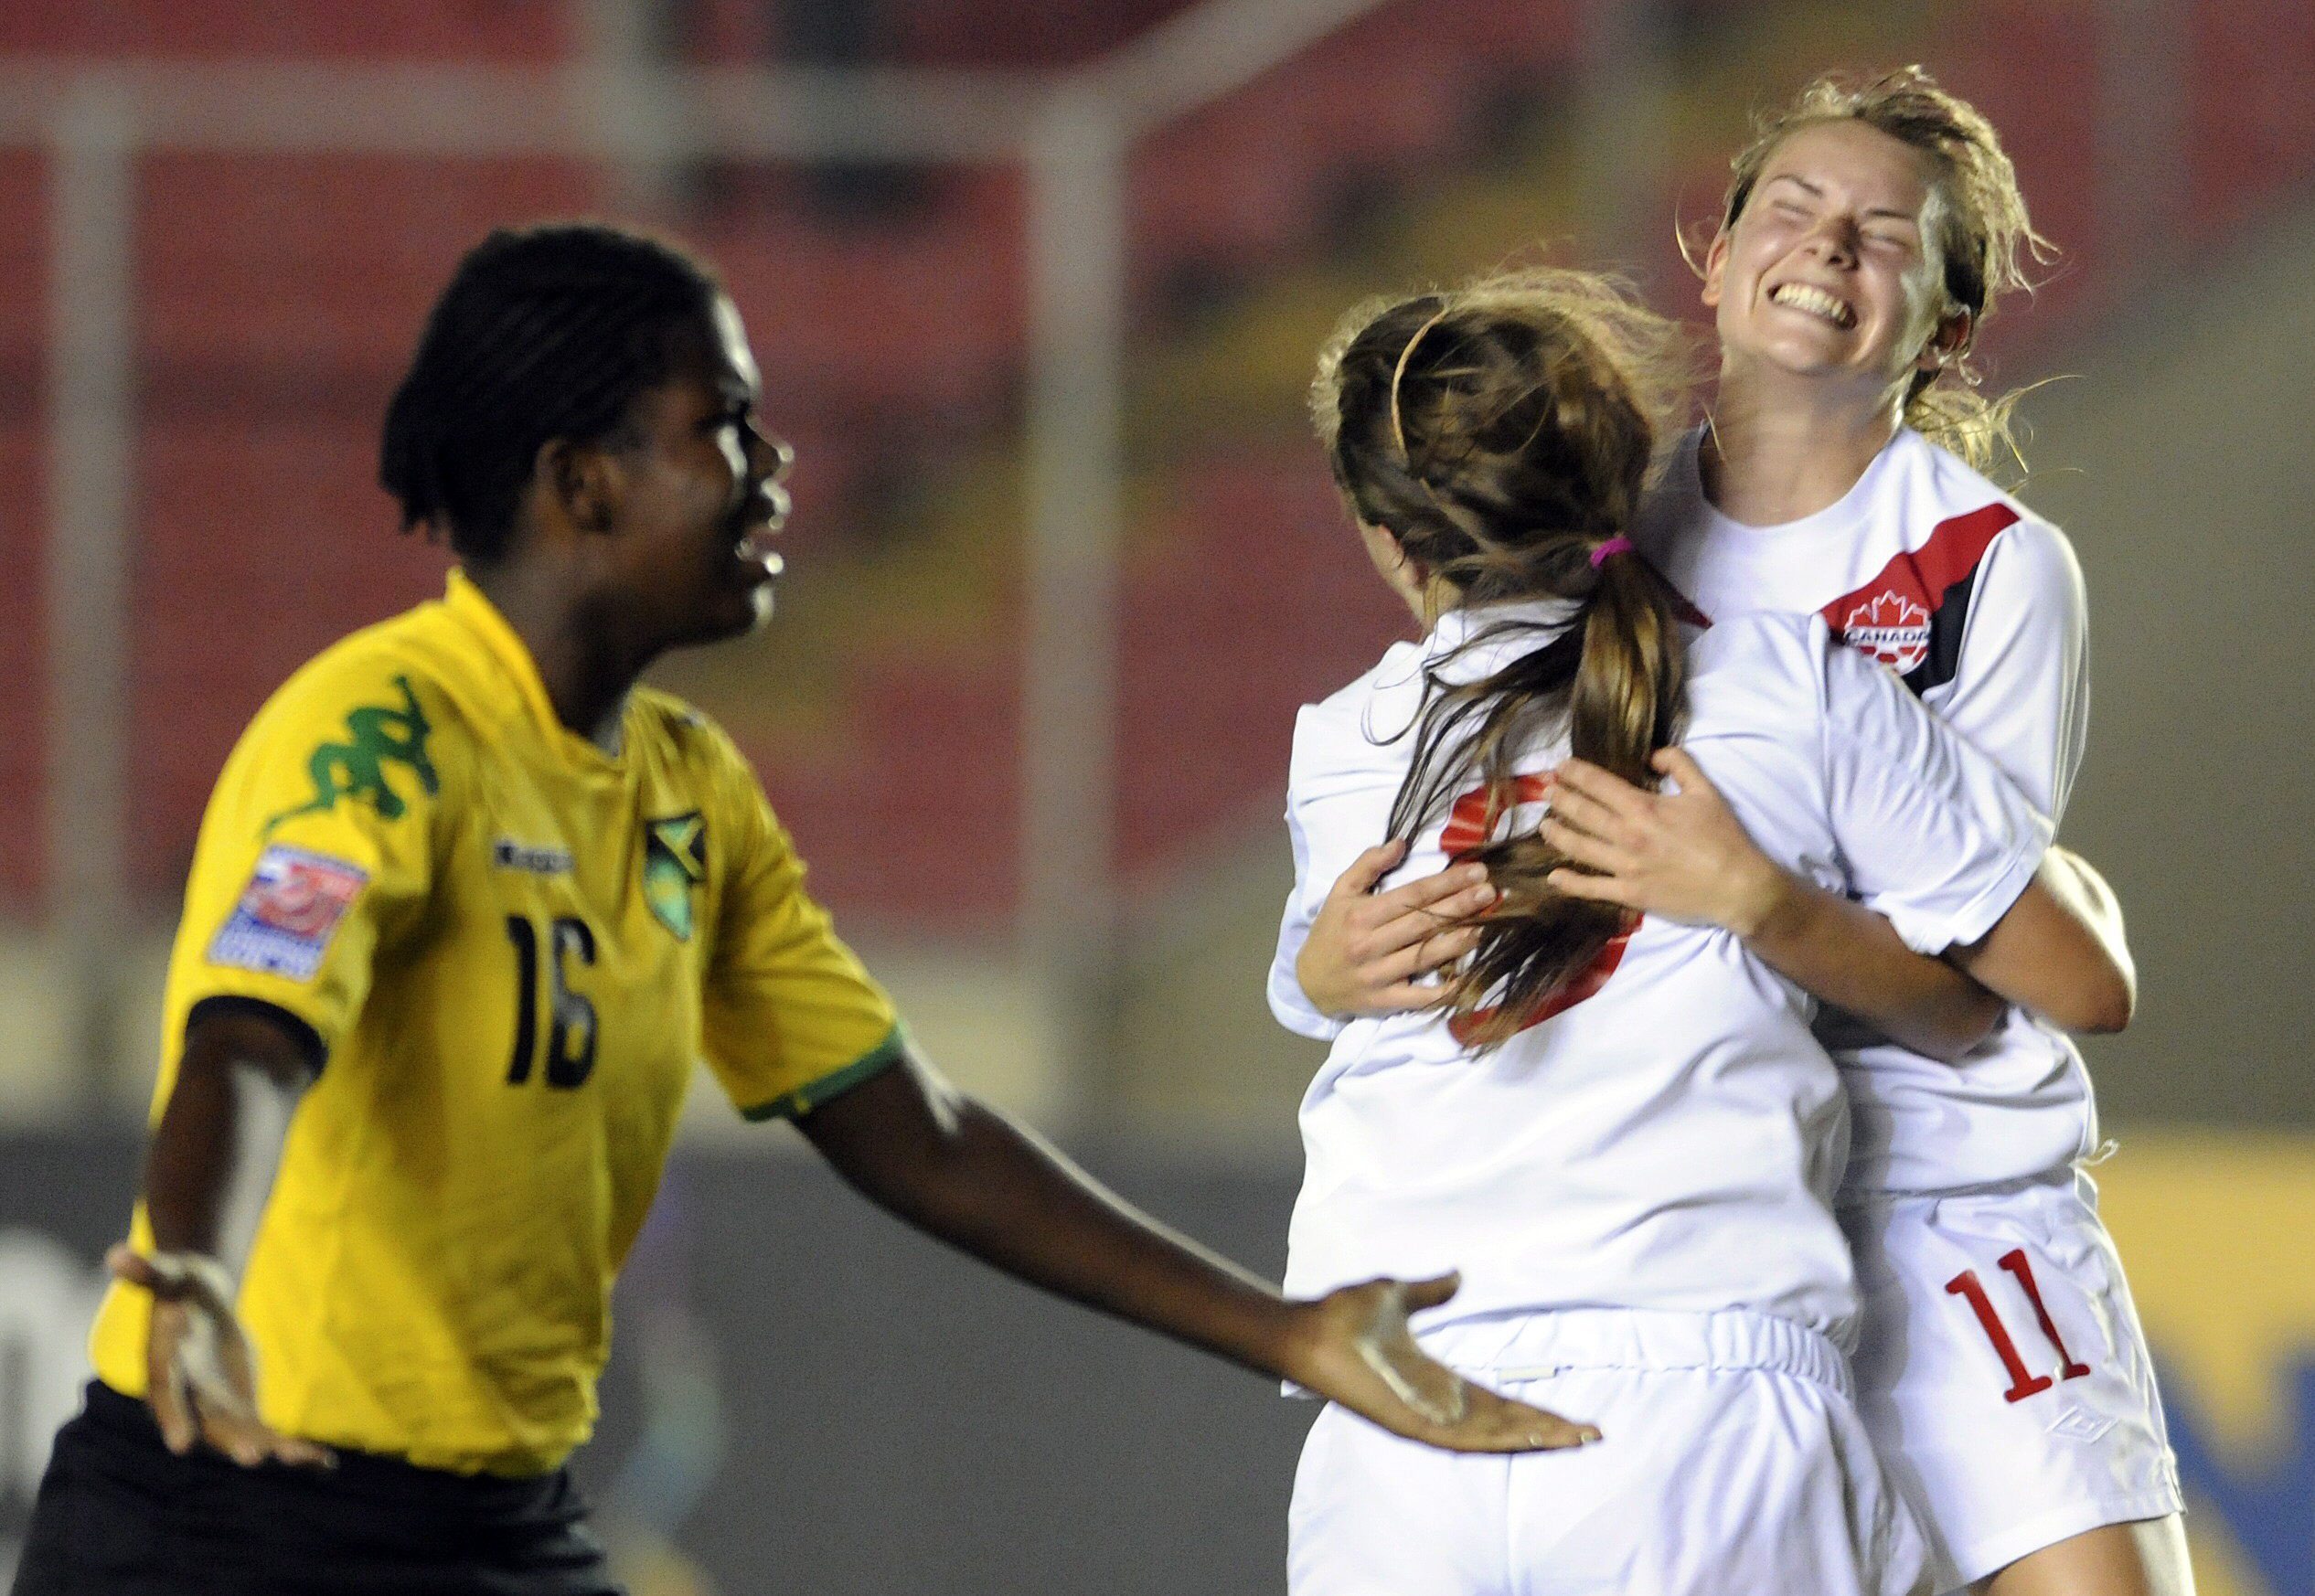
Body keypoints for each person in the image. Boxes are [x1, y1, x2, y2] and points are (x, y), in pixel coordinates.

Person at [8, 222, 1584, 1596]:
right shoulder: (378, 730)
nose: (773, 470)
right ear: (581, 482)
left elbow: (915, 1131)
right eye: (725, 429)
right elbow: (252, 1032)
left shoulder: (689, 793)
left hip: (490, 1525)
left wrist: (1288, 1331)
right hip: (224, 1514)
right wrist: (196, 1274)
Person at [1288, 69, 2186, 1596]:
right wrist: (1329, 964)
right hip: (1695, 1210)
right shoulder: (1589, 514)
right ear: (1711, 254)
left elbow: (1988, 979)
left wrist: (1760, 906)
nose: (1830, 246)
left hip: (1930, 1188)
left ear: (1950, 326)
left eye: (1884, 233)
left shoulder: (1988, 564)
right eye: (1793, 205)